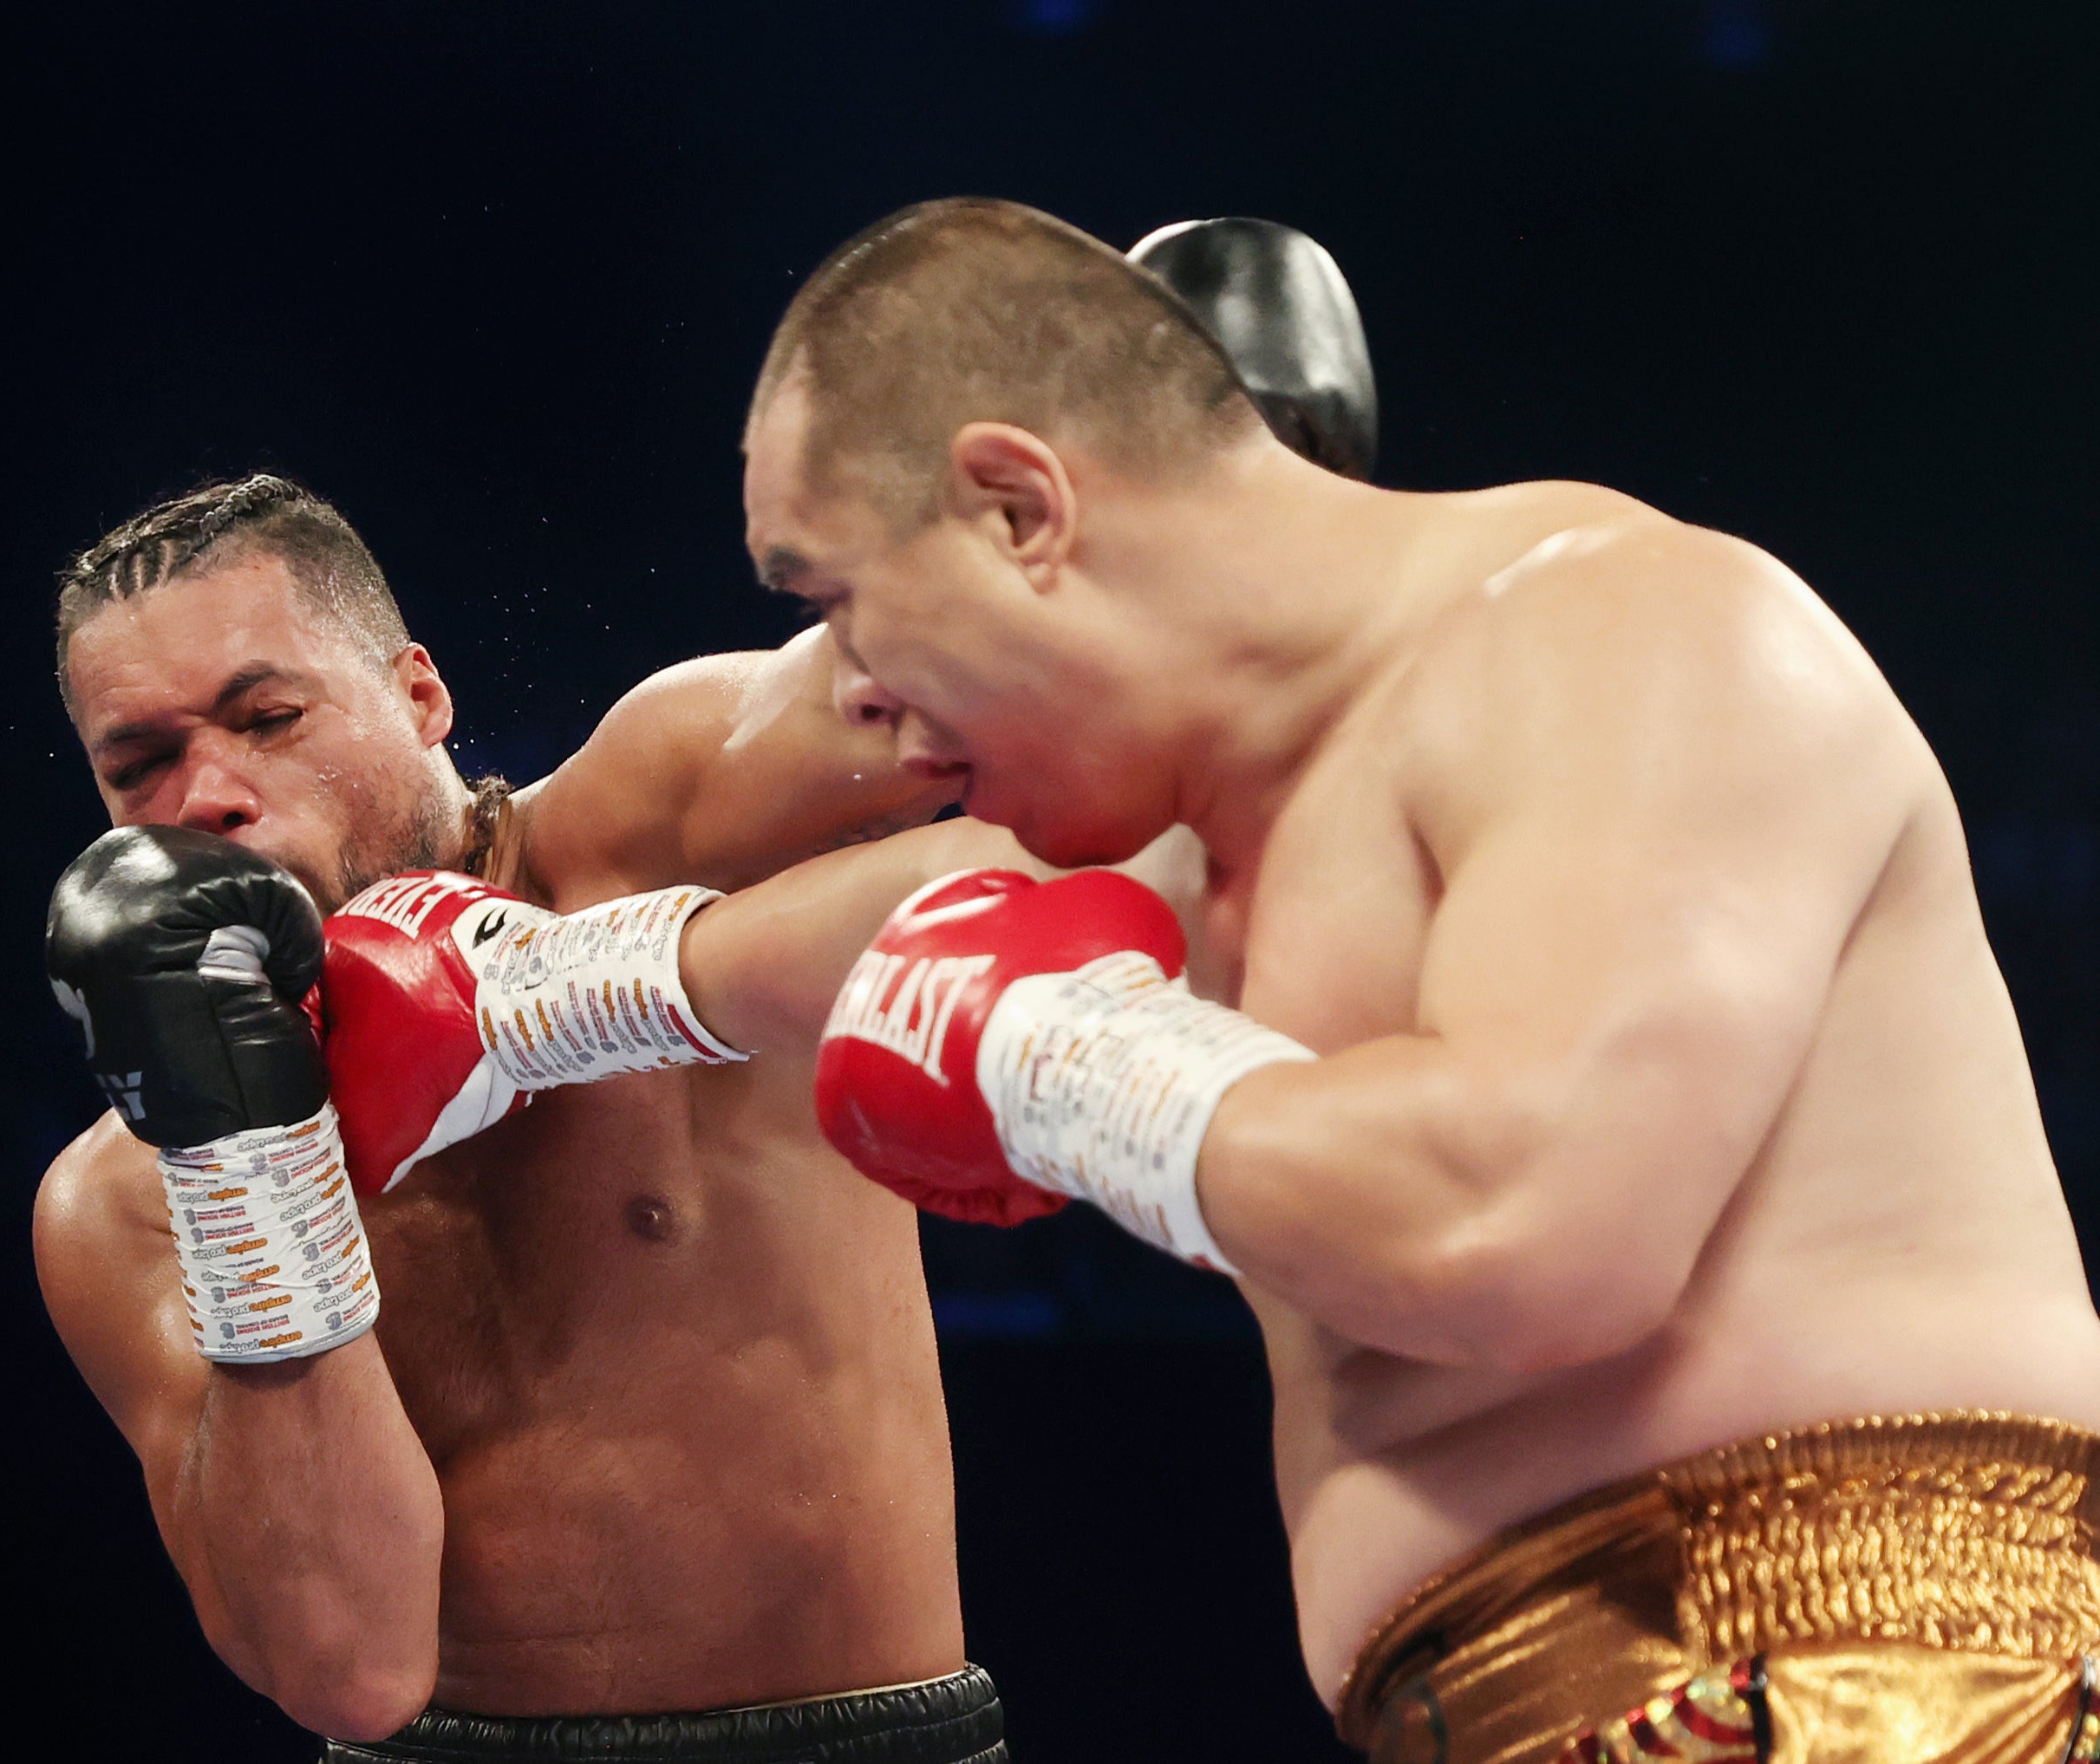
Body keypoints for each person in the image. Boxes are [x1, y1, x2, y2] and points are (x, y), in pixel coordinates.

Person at [707, 197, 2100, 1763]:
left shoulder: (1625, 632)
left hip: (1854, 1673)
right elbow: (814, 943)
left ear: (1020, 510)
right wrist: (553, 989)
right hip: (1504, 1700)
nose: (852, 693)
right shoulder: (1204, 844)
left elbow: (1530, 1229)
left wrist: (1055, 1058)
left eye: (833, 600)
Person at [29, 219, 1375, 1763]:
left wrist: (1177, 501)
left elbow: (1041, 744)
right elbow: (350, 1667)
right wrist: (247, 1157)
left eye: (266, 718)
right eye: (141, 764)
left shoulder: (661, 811)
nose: (207, 794)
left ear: (419, 693)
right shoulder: (124, 1201)